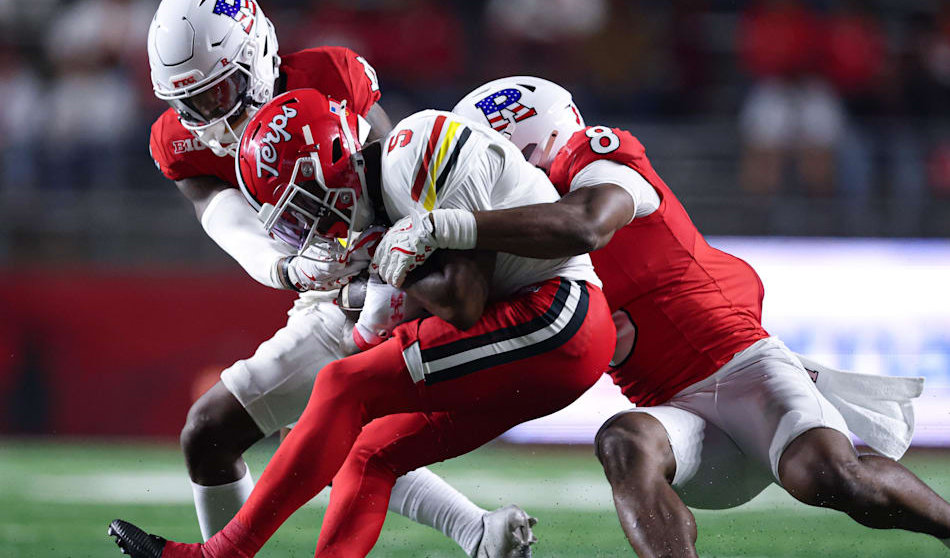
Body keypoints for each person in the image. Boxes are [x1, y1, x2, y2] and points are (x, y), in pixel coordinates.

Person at [369, 76, 950, 558]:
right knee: (623, 442)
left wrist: (450, 226)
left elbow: (585, 223)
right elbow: (455, 304)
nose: (484, 179)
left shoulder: (598, 155)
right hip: (679, 416)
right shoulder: (497, 242)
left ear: (528, 145)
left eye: (491, 162)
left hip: (744, 367)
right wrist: (376, 270)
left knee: (830, 478)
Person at [108, 88, 616, 557]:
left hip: (558, 315)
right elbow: (378, 330)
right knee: (364, 452)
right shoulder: (382, 204)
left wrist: (389, 266)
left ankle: (222, 552)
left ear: (330, 167)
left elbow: (462, 299)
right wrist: (380, 271)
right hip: (531, 331)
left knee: (341, 386)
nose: (307, 229)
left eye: (301, 209)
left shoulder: (420, 148)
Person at [140, 0, 531, 555]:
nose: (207, 117)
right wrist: (284, 267)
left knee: (241, 429)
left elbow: (400, 184)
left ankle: (476, 531)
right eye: (191, 103)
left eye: (220, 95)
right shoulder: (181, 141)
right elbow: (220, 215)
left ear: (258, 55)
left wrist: (374, 284)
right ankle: (478, 530)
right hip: (319, 276)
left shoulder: (329, 75)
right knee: (282, 430)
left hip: (387, 269)